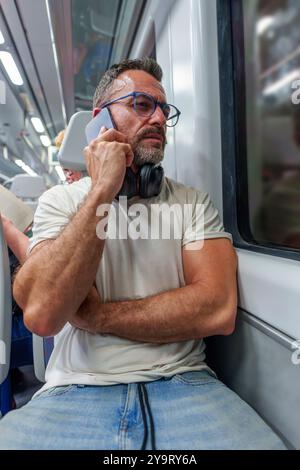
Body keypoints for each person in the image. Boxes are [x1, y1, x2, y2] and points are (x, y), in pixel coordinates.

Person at [0, 58, 285, 450]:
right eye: (140, 104)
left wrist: (94, 314)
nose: (157, 119)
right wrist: (102, 191)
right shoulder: (62, 200)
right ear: (99, 121)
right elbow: (45, 313)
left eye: (164, 109)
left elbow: (216, 309)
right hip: (78, 388)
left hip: (186, 382)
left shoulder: (192, 203)